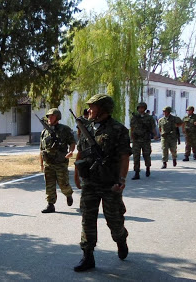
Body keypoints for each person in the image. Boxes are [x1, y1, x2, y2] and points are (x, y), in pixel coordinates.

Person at [73, 94, 130, 272]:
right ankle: (87, 256)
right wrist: (76, 175)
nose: (89, 110)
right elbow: (81, 152)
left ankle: (120, 239)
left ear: (103, 109)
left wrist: (121, 180)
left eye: (93, 107)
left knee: (114, 220)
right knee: (87, 219)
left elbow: (124, 156)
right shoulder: (86, 127)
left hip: (110, 183)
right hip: (90, 181)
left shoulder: (118, 129)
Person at [39, 108, 75, 213]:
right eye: (48, 116)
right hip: (48, 163)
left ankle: (68, 194)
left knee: (63, 184)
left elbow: (72, 142)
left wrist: (71, 151)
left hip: (60, 162)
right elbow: (41, 149)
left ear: (57, 117)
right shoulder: (44, 132)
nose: (49, 118)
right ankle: (50, 204)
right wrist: (41, 164)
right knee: (49, 184)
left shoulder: (65, 129)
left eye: (52, 116)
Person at [130, 102, 158, 179]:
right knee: (136, 156)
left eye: (142, 108)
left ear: (145, 109)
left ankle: (148, 168)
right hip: (136, 140)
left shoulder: (149, 118)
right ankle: (136, 172)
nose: (140, 109)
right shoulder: (134, 117)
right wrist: (131, 137)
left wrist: (155, 135)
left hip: (145, 139)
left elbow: (153, 127)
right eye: (139, 108)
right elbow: (132, 128)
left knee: (146, 155)